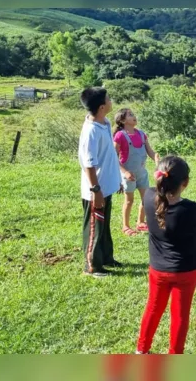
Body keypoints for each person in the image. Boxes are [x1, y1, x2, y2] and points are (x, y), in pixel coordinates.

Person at [136, 156, 196, 354]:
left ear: (158, 176)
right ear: (185, 183)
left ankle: (141, 350)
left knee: (153, 308)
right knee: (180, 315)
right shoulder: (188, 208)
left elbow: (146, 205)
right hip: (186, 271)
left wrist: (139, 220)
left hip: (158, 269)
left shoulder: (148, 196)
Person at [78, 87, 121, 278]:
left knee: (105, 225)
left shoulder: (105, 122)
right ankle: (92, 266)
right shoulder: (91, 131)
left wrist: (117, 180)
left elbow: (109, 155)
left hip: (108, 185)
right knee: (95, 226)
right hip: (96, 189)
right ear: (102, 106)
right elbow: (89, 164)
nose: (112, 101)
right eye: (109, 99)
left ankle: (106, 258)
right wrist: (96, 190)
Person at [112, 108, 159, 236]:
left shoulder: (142, 134)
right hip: (128, 175)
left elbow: (150, 151)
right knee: (129, 200)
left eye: (133, 114)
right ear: (122, 120)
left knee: (146, 199)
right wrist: (125, 172)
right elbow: (113, 157)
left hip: (142, 173)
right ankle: (126, 226)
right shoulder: (120, 135)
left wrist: (156, 158)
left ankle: (141, 222)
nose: (134, 116)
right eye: (130, 115)